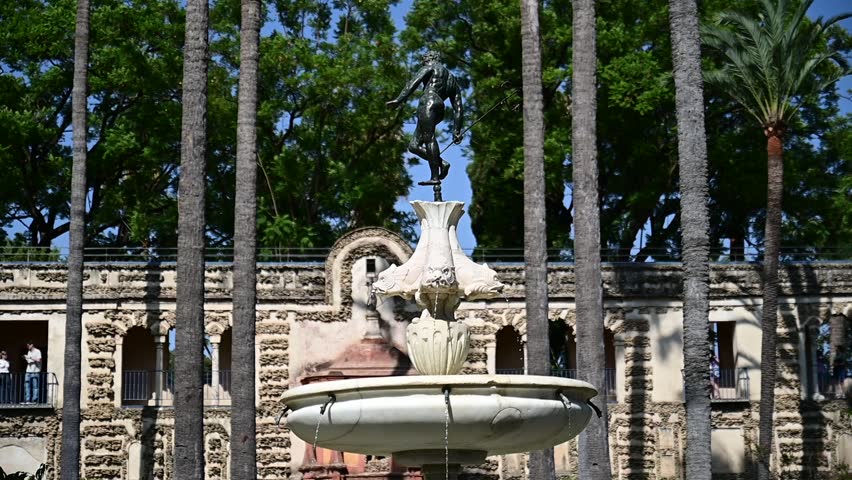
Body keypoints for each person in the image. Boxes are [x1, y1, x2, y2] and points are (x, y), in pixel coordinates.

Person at [387, 50, 464, 187]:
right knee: (413, 146)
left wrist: (399, 100)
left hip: (428, 102)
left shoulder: (430, 67)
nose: (423, 61)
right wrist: (457, 130)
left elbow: (413, 83)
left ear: (433, 58)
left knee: (429, 139)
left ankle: (435, 177)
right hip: (440, 108)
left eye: (425, 58)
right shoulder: (452, 78)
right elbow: (458, 107)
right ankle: (442, 163)